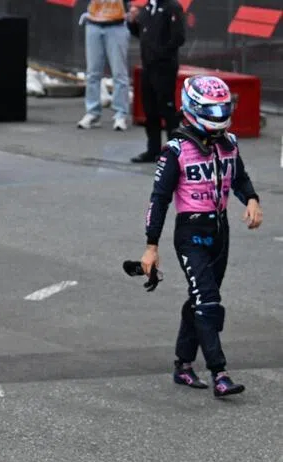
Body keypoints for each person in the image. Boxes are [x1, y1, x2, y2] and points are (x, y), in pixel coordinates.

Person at [141, 75, 263, 397]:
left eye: (223, 107)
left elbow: (240, 178)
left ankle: (182, 365)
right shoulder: (175, 150)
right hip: (191, 234)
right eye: (213, 109)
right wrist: (151, 247)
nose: (220, 114)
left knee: (199, 299)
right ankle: (219, 373)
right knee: (208, 301)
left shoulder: (229, 144)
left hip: (221, 233)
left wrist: (251, 199)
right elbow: (159, 199)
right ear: (194, 108)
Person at [127, 0, 186, 163]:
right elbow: (143, 34)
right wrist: (132, 23)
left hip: (164, 67)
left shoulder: (172, 7)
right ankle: (153, 150)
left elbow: (178, 37)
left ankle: (175, 151)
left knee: (167, 108)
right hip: (148, 67)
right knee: (150, 109)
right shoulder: (146, 9)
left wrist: (161, 53)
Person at [77, 0, 130, 131]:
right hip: (93, 23)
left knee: (119, 72)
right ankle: (92, 112)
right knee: (93, 73)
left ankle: (120, 114)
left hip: (117, 24)